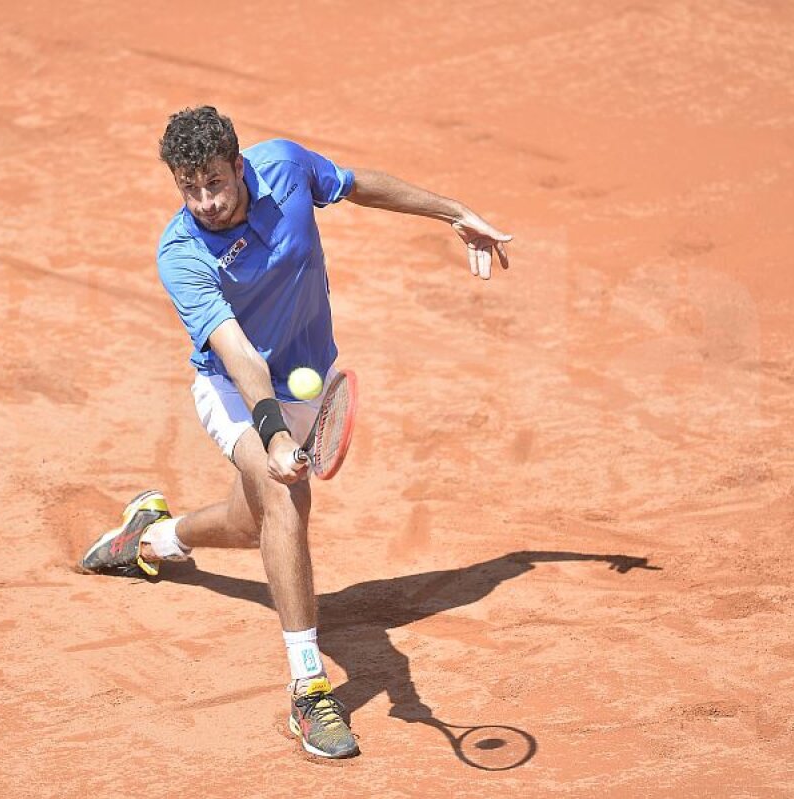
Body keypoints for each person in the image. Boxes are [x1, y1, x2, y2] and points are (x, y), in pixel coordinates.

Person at [75, 106, 511, 759]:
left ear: (240, 164)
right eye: (188, 189)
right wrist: (274, 433)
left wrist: (452, 210)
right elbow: (239, 354)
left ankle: (152, 536)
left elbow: (357, 184)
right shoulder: (181, 252)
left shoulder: (285, 165)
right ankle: (310, 691)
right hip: (233, 390)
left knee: (251, 523)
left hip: (308, 379)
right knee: (285, 502)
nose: (206, 202)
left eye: (216, 183)